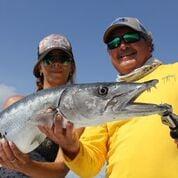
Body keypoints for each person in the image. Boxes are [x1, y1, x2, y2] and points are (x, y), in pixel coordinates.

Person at [41, 17, 178, 178]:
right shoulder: (101, 101)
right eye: (113, 43)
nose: (122, 46)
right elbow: (89, 167)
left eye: (130, 38)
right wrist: (71, 147)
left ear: (149, 44)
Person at [0, 34, 83, 178]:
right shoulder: (14, 104)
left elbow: (61, 170)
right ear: (40, 68)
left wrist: (26, 166)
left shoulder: (78, 120)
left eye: (63, 59)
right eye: (50, 59)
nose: (56, 64)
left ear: (71, 68)